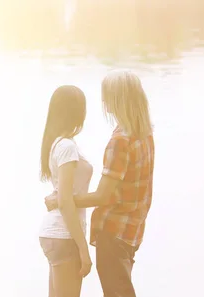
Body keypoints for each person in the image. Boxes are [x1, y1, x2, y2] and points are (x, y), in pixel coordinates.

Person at [45, 70, 155, 297]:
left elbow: (102, 196)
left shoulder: (120, 140)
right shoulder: (145, 135)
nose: (104, 103)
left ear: (116, 100)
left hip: (114, 232)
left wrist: (61, 200)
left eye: (106, 97)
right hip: (134, 231)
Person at [38, 85, 94, 297]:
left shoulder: (57, 144)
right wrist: (83, 248)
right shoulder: (67, 147)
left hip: (54, 234)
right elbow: (64, 201)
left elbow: (63, 197)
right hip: (64, 235)